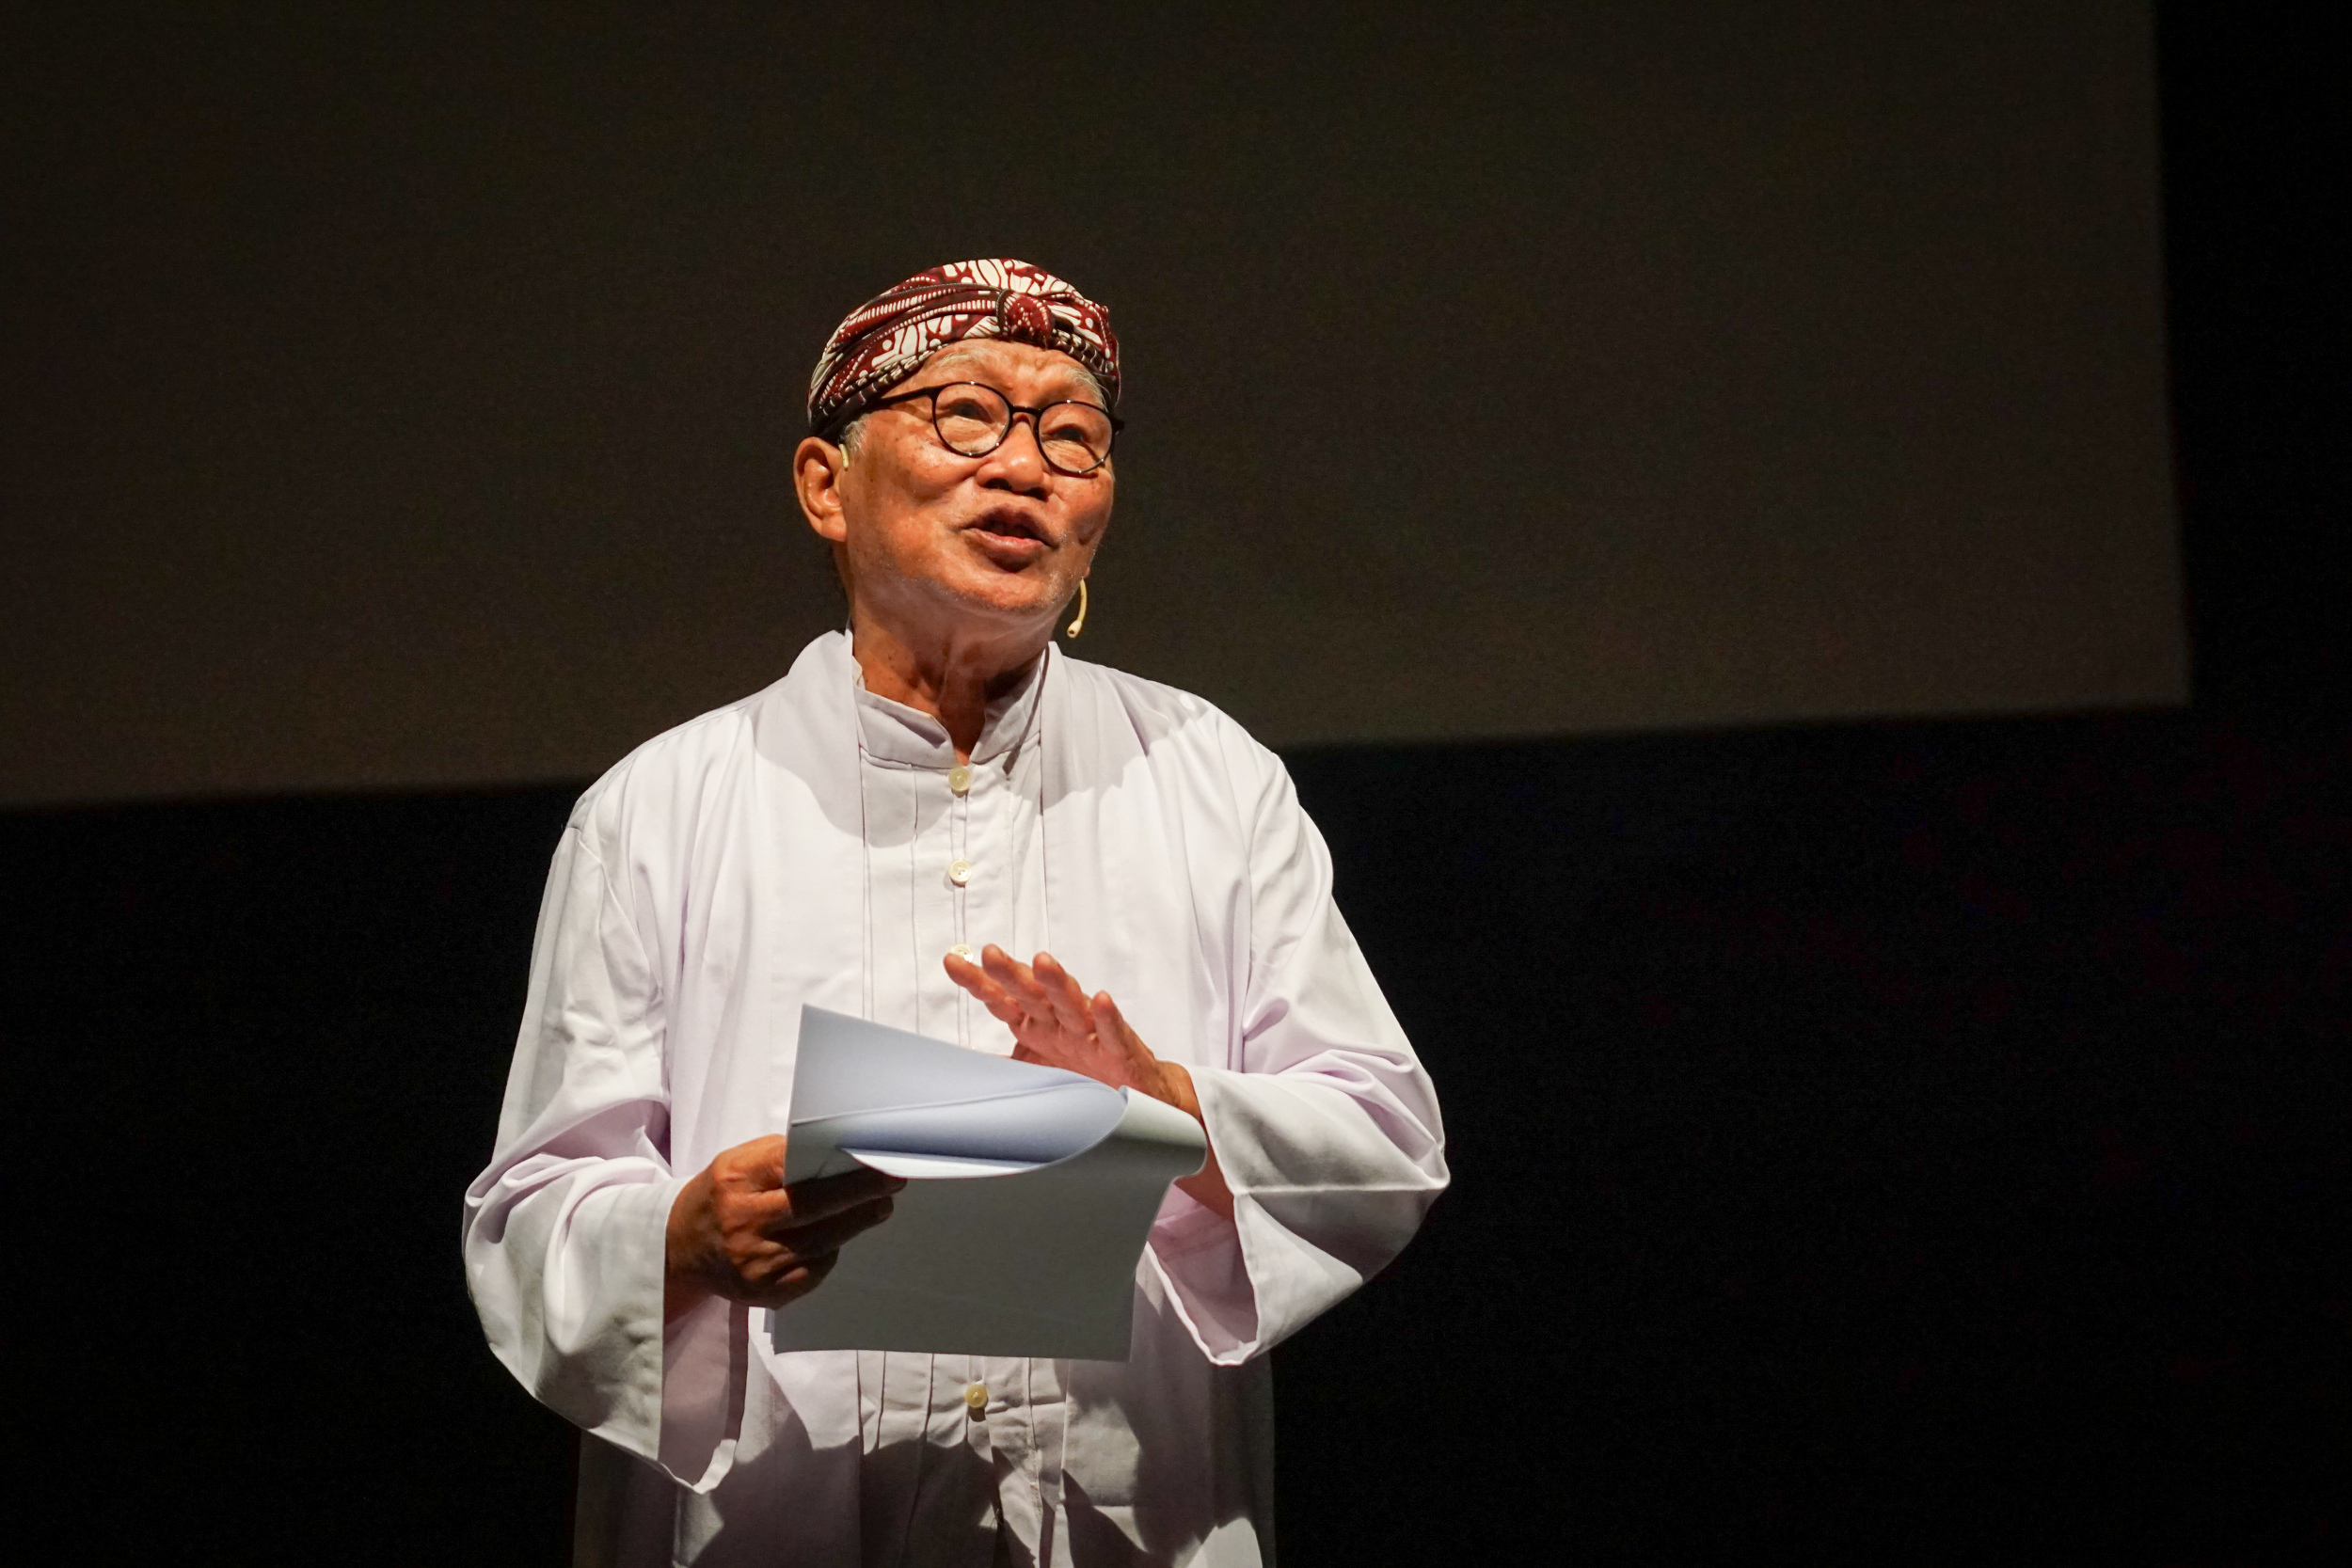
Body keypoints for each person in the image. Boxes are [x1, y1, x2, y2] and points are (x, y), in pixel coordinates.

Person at [464, 259, 1448, 1567]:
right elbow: (530, 1218)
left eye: (1073, 437)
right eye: (966, 415)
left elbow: (1385, 1140)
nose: (1026, 467)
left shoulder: (1210, 775)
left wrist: (1169, 1106)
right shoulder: (663, 808)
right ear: (827, 485)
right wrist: (687, 1237)